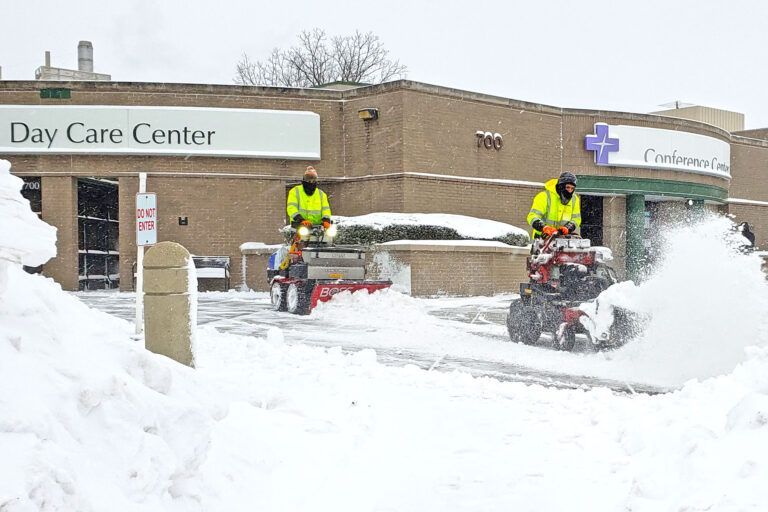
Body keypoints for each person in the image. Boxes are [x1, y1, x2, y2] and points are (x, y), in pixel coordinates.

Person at [526, 171, 581, 239]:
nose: (570, 191)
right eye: (567, 187)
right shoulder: (544, 196)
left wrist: (568, 228)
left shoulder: (574, 199)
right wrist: (544, 227)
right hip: (542, 237)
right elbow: (532, 216)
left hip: (562, 238)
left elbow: (576, 219)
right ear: (561, 186)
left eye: (572, 188)